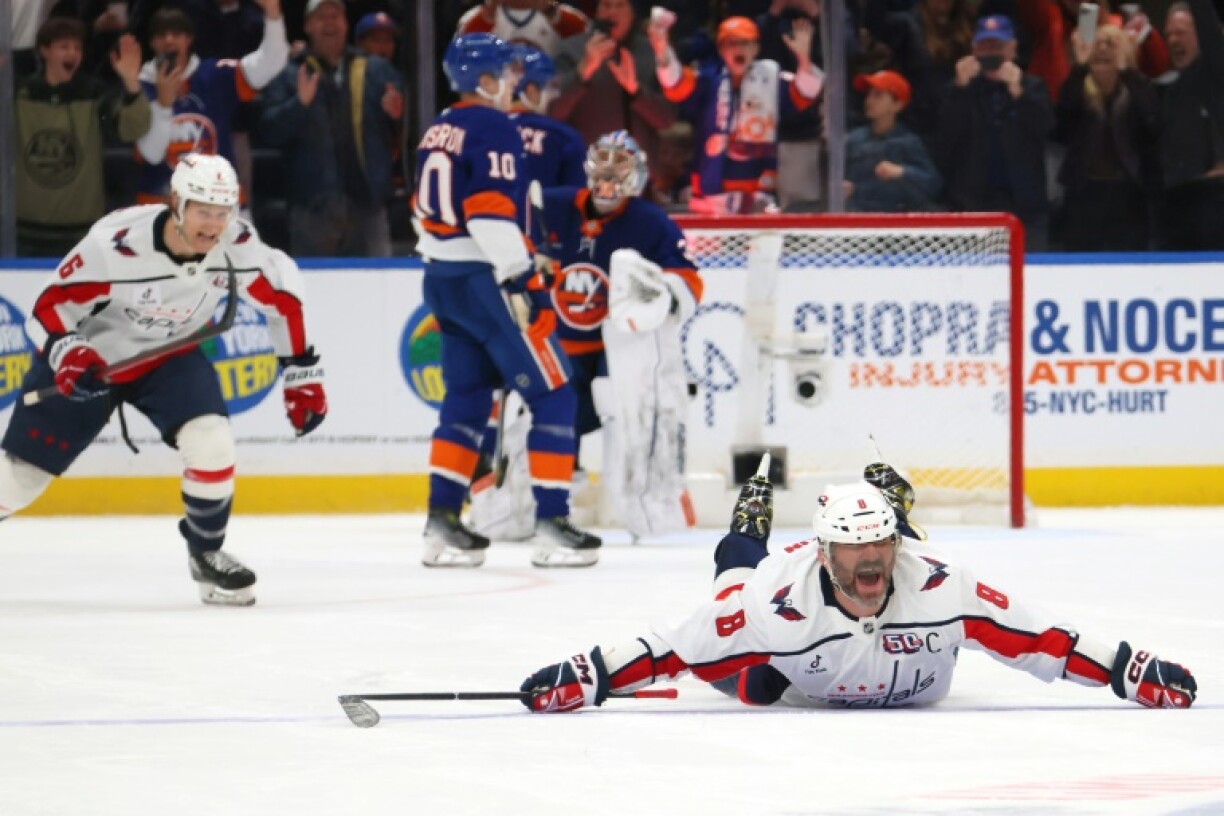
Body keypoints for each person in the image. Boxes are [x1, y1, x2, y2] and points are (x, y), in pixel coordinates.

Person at [519, 462, 1198, 713]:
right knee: (742, 628)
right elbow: (671, 647)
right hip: (792, 677)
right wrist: (589, 675)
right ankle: (747, 524)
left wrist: (1130, 670)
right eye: (854, 547)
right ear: (824, 552)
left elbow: (1042, 639)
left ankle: (891, 502)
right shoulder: (777, 604)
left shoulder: (941, 585)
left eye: (882, 541)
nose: (871, 559)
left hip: (906, 669)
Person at [0, 153, 328, 607]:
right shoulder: (117, 245)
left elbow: (284, 299)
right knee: (18, 481)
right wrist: (69, 352)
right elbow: (49, 306)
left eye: (223, 212)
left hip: (168, 355)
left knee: (212, 440)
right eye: (203, 211)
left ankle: (206, 555)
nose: (213, 225)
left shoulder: (236, 246)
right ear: (176, 203)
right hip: (92, 360)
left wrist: (301, 372)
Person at [413, 33, 600, 569]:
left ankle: (442, 521)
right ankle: (552, 522)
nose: (514, 80)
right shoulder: (493, 126)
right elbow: (488, 214)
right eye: (506, 70)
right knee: (556, 391)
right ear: (484, 79)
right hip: (489, 279)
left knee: (467, 399)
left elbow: (424, 211)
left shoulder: (438, 127)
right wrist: (522, 280)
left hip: (442, 276)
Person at [471, 131, 703, 543]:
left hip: (615, 353)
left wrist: (662, 294)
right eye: (602, 168)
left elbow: (688, 280)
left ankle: (648, 507)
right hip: (555, 347)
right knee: (537, 424)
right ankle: (517, 510)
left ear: (636, 175)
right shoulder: (551, 206)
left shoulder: (650, 223)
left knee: (630, 415)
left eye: (619, 169)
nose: (608, 180)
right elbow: (507, 240)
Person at [257, 0, 404, 257]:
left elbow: (400, 130)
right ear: (307, 26)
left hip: (367, 205)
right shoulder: (289, 73)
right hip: (311, 208)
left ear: (346, 24)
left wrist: (396, 114)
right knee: (312, 280)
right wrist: (299, 105)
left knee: (378, 278)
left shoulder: (376, 69)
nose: (330, 22)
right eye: (321, 16)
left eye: (335, 15)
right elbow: (269, 131)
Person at [652, 14, 823, 214]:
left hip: (759, 196)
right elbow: (675, 83)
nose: (738, 49)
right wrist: (661, 49)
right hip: (711, 197)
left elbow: (805, 93)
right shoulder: (708, 79)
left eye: (744, 43)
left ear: (756, 48)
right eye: (731, 43)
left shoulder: (772, 78)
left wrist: (803, 59)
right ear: (721, 50)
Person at [16, 18, 151, 257]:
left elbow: (133, 129)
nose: (72, 53)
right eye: (64, 47)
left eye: (77, 48)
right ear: (44, 51)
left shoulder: (94, 93)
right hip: (25, 231)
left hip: (82, 232)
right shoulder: (19, 95)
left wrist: (132, 83)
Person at [133, 1, 288, 209]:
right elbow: (150, 155)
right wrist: (163, 105)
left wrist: (273, 13)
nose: (169, 40)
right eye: (161, 35)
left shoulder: (216, 75)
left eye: (177, 34)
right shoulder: (139, 87)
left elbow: (270, 62)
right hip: (162, 207)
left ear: (189, 39)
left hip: (220, 205)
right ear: (152, 43)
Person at [934, 14, 1053, 248]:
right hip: (970, 204)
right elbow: (944, 142)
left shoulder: (1033, 88)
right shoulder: (957, 90)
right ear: (973, 51)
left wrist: (1019, 93)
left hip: (1024, 206)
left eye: (997, 47)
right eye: (985, 47)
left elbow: (1046, 129)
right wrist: (960, 90)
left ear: (1013, 50)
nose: (991, 54)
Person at [1053, 24, 1159, 250]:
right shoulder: (1077, 89)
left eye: (1111, 44)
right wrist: (1079, 67)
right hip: (1083, 196)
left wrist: (1127, 71)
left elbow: (1152, 125)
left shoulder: (1138, 87)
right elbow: (1061, 126)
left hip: (1128, 196)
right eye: (1097, 44)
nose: (1102, 48)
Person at [550, 0, 676, 185]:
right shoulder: (569, 50)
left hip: (640, 181)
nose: (612, 12)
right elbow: (552, 113)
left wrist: (635, 90)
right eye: (606, 5)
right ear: (597, 11)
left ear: (633, 13)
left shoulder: (651, 52)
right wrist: (582, 72)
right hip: (583, 178)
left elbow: (667, 119)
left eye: (620, 5)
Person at [1155, 0, 1224, 250]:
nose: (1173, 40)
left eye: (1181, 33)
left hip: (1213, 203)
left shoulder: (1214, 73)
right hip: (1178, 207)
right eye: (1169, 35)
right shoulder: (1168, 91)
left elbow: (1210, 31)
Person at [845, 69, 942, 212]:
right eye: (869, 94)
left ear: (897, 105)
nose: (869, 100)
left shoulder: (909, 142)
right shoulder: (854, 139)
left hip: (896, 216)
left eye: (878, 95)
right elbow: (839, 175)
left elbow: (932, 183)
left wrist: (901, 172)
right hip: (858, 215)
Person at [508, 45, 587, 188]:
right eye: (552, 86)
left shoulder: (483, 129)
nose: (556, 94)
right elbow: (578, 195)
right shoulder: (563, 136)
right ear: (531, 91)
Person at [457, 0, 591, 57]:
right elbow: (464, 61)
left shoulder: (570, 18)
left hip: (552, 101)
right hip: (498, 101)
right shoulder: (474, 19)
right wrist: (490, 13)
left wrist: (550, 10)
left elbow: (584, 55)